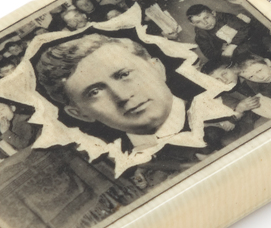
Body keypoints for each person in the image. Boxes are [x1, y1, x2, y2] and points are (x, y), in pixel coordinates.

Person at [35, 33, 211, 163]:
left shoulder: (219, 103)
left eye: (124, 74)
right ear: (79, 114)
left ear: (157, 69)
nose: (122, 96)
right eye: (94, 92)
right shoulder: (128, 163)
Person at [186, 4, 270, 64]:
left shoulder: (224, 17)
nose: (205, 23)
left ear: (213, 13)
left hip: (254, 40)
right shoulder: (200, 36)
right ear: (192, 24)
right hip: (237, 53)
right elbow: (210, 54)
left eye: (206, 17)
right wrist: (221, 51)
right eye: (198, 22)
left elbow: (245, 29)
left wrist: (231, 47)